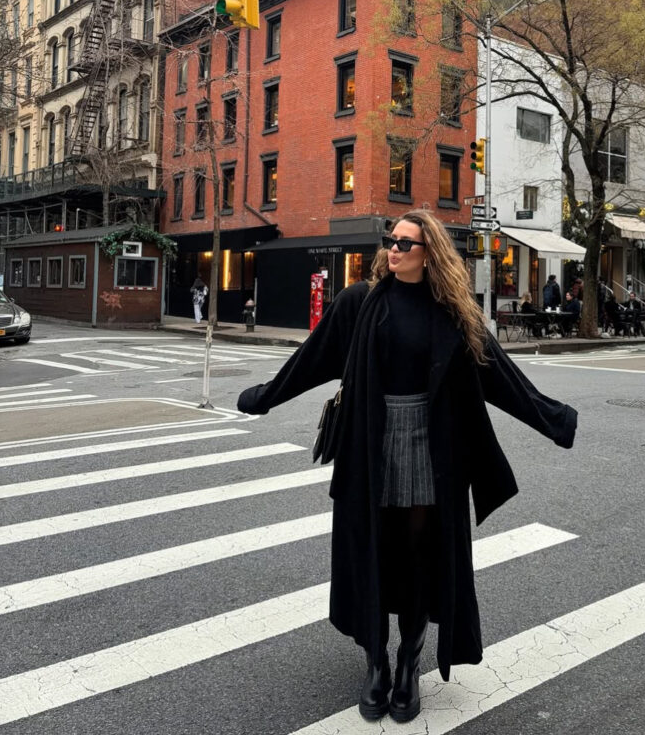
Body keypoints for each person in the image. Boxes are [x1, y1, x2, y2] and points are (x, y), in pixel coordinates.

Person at [236, 210, 577, 723]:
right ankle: (375, 659)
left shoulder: (452, 312)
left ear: (430, 254)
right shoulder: (359, 303)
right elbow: (312, 359)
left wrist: (554, 420)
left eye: (405, 243)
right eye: (390, 241)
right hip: (369, 442)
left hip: (430, 445)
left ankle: (407, 660)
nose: (393, 250)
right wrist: (264, 397)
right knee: (373, 548)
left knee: (419, 552)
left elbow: (501, 377)